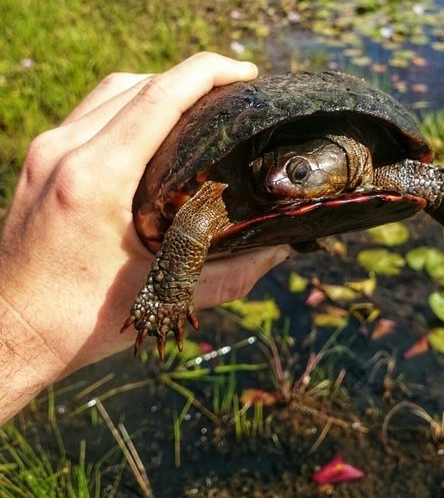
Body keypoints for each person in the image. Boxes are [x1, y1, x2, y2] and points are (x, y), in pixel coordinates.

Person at [0, 53, 290, 426]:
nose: (279, 182)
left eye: (296, 173)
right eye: (285, 168)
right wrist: (25, 329)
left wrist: (20, 328)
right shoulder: (222, 194)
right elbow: (191, 227)